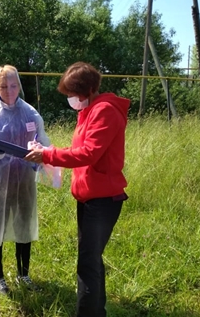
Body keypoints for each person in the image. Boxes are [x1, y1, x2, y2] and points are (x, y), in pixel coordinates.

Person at [24, 62, 130, 317]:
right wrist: (49, 153)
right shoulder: (89, 110)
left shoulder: (104, 111)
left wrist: (48, 155)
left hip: (103, 199)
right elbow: (78, 152)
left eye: (74, 93)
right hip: (89, 197)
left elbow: (89, 153)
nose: (71, 98)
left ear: (90, 89)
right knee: (91, 261)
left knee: (87, 264)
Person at [0, 64, 50, 295]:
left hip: (25, 179)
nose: (9, 90)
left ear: (19, 85)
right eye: (4, 86)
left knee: (24, 223)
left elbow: (42, 140)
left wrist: (45, 155)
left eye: (13, 85)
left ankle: (23, 274)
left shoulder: (31, 113)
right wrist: (0, 151)